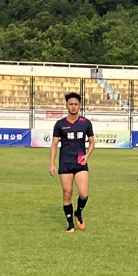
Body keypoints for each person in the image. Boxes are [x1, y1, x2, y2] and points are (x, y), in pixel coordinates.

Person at [49, 92, 94, 230]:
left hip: (80, 162)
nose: (73, 107)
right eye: (71, 104)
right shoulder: (60, 124)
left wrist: (87, 155)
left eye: (76, 104)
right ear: (66, 105)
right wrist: (52, 163)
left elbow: (92, 142)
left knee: (84, 194)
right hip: (65, 163)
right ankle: (70, 225)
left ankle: (78, 212)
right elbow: (55, 144)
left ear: (80, 105)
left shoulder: (85, 123)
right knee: (67, 193)